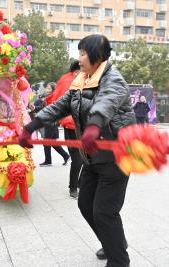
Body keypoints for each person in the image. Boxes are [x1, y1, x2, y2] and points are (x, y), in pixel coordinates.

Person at [19, 34, 135, 267]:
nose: (79, 58)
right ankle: (114, 242)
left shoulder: (114, 80)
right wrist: (31, 126)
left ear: (98, 56)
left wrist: (93, 127)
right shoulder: (81, 81)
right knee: (85, 205)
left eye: (83, 53)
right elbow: (59, 107)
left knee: (104, 211)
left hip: (116, 157)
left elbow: (106, 104)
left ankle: (119, 260)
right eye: (79, 53)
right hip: (92, 157)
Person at [49, 60, 82, 198]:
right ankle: (73, 188)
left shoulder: (67, 80)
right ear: (76, 72)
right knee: (78, 159)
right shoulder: (69, 82)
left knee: (86, 158)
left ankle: (79, 184)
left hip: (77, 125)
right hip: (72, 125)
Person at [38, 82, 70, 167]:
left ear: (53, 90)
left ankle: (48, 161)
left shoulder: (54, 98)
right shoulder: (47, 98)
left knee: (46, 141)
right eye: (46, 88)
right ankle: (66, 156)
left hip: (52, 122)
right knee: (52, 142)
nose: (46, 89)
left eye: (49, 88)